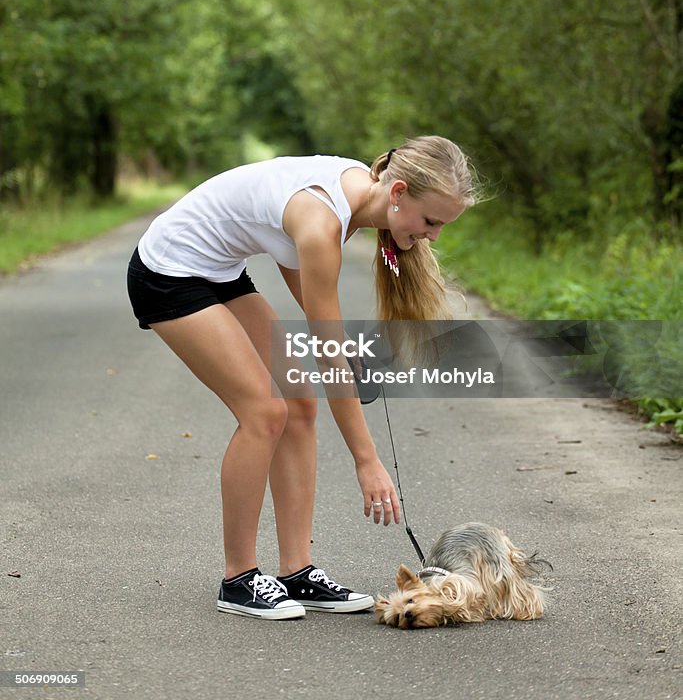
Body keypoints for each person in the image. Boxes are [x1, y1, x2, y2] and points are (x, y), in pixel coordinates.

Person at [126, 135, 477, 620]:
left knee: (300, 403)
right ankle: (239, 579)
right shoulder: (323, 219)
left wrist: (333, 338)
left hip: (220, 273)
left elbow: (306, 283)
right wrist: (367, 461)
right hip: (168, 273)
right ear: (397, 193)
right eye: (431, 221)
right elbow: (328, 350)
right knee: (264, 412)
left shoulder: (354, 195)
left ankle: (297, 572)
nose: (434, 235)